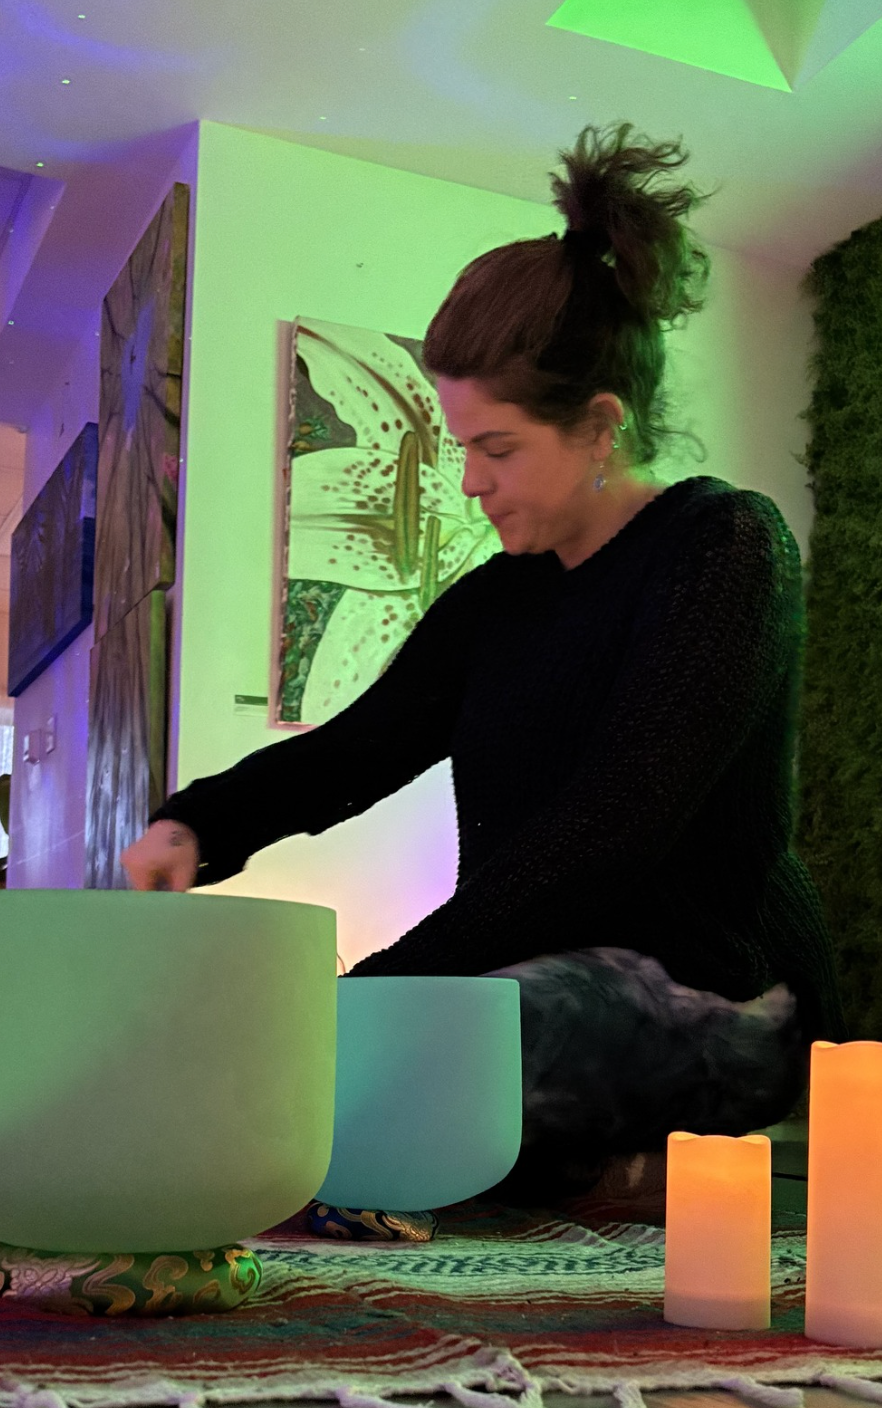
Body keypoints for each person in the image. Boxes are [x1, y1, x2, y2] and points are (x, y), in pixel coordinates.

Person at [121, 124, 841, 1204]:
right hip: (540, 984)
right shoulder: (497, 601)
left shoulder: (723, 548)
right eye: (461, 447)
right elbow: (353, 751)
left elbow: (611, 827)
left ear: (600, 427)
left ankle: (619, 1162)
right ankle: (569, 1161)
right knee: (352, 1056)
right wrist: (198, 825)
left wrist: (377, 994)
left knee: (438, 1045)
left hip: (718, 1003)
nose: (468, 483)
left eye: (493, 448)